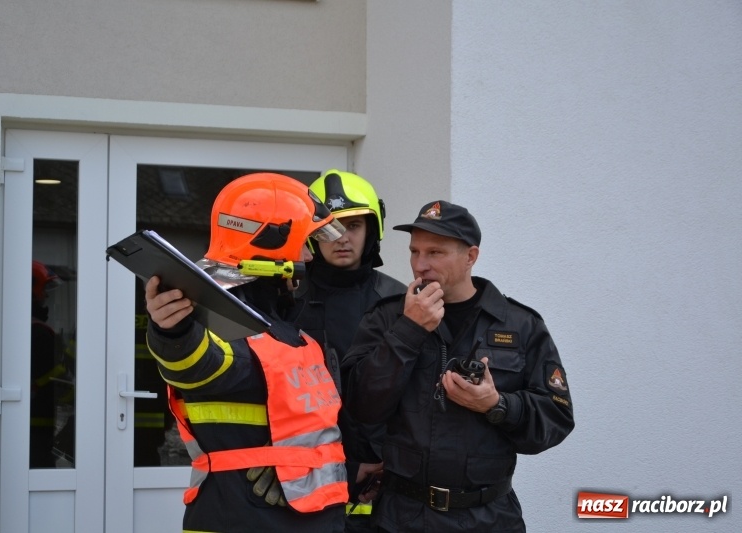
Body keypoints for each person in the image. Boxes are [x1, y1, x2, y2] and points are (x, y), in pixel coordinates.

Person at [341, 200, 575, 532]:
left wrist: (497, 405)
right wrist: (408, 331)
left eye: (435, 252)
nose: (420, 264)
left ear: (471, 257)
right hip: (400, 516)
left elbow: (556, 419)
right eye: (414, 251)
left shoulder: (520, 325)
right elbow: (360, 406)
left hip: (488, 517)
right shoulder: (387, 317)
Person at [144, 173, 350, 533]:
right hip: (243, 516)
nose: (309, 255)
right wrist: (172, 330)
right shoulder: (221, 322)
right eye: (305, 242)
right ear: (272, 241)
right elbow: (197, 363)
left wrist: (291, 467)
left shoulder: (291, 334)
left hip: (297, 515)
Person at [286, 170, 407, 531]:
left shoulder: (400, 303)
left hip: (386, 480)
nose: (341, 238)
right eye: (329, 228)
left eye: (353, 226)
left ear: (373, 230)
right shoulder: (286, 299)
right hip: (305, 476)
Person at [29, 260, 64, 468]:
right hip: (38, 421)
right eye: (44, 289)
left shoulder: (24, 327)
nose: (47, 296)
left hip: (34, 420)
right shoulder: (39, 332)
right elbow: (55, 377)